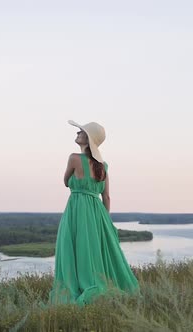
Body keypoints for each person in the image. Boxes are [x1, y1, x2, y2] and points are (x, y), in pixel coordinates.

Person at [48, 120, 140, 306]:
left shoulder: (74, 158)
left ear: (88, 138)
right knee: (94, 250)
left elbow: (66, 182)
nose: (77, 134)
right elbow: (106, 197)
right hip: (97, 212)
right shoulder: (103, 166)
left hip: (77, 208)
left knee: (72, 247)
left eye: (81, 132)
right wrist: (104, 221)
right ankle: (97, 283)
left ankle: (78, 286)